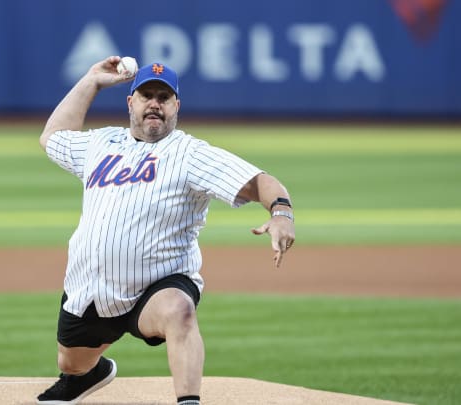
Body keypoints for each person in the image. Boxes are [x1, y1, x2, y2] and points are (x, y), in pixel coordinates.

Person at [36, 56, 296, 405]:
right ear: (131, 102)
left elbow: (259, 182)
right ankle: (87, 376)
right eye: (146, 95)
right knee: (72, 364)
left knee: (179, 310)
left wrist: (281, 213)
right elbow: (53, 136)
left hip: (156, 287)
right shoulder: (100, 144)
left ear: (176, 106)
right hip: (91, 289)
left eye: (163, 96)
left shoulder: (190, 154)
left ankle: (188, 401)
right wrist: (91, 81)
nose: (154, 104)